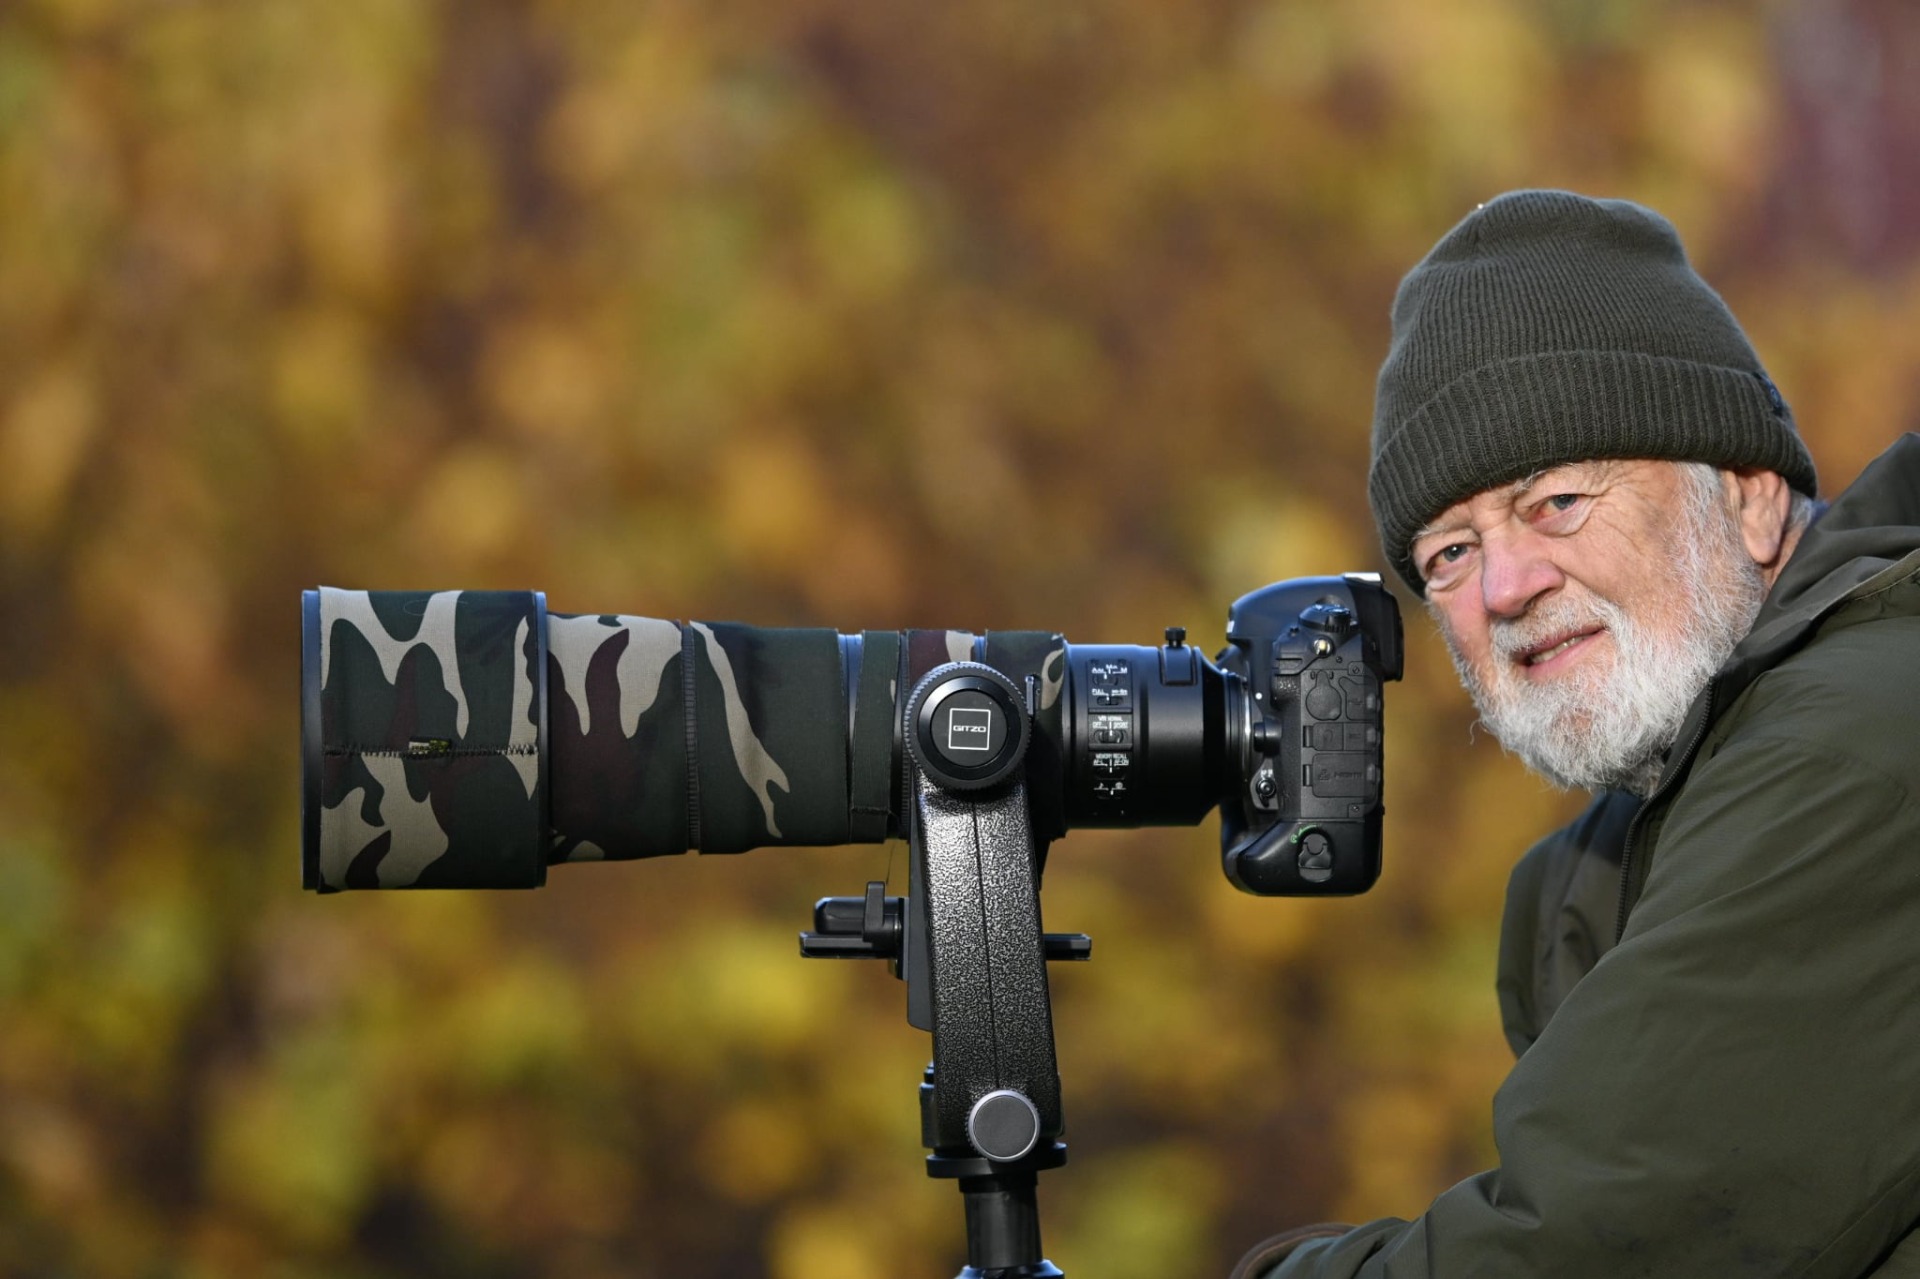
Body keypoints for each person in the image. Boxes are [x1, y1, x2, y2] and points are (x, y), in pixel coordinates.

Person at [1234, 190, 1920, 1278]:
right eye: (1450, 554)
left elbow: (1584, 1246)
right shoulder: (1601, 864)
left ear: (1748, 497)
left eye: (1554, 501)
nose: (1506, 587)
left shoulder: (1852, 747)